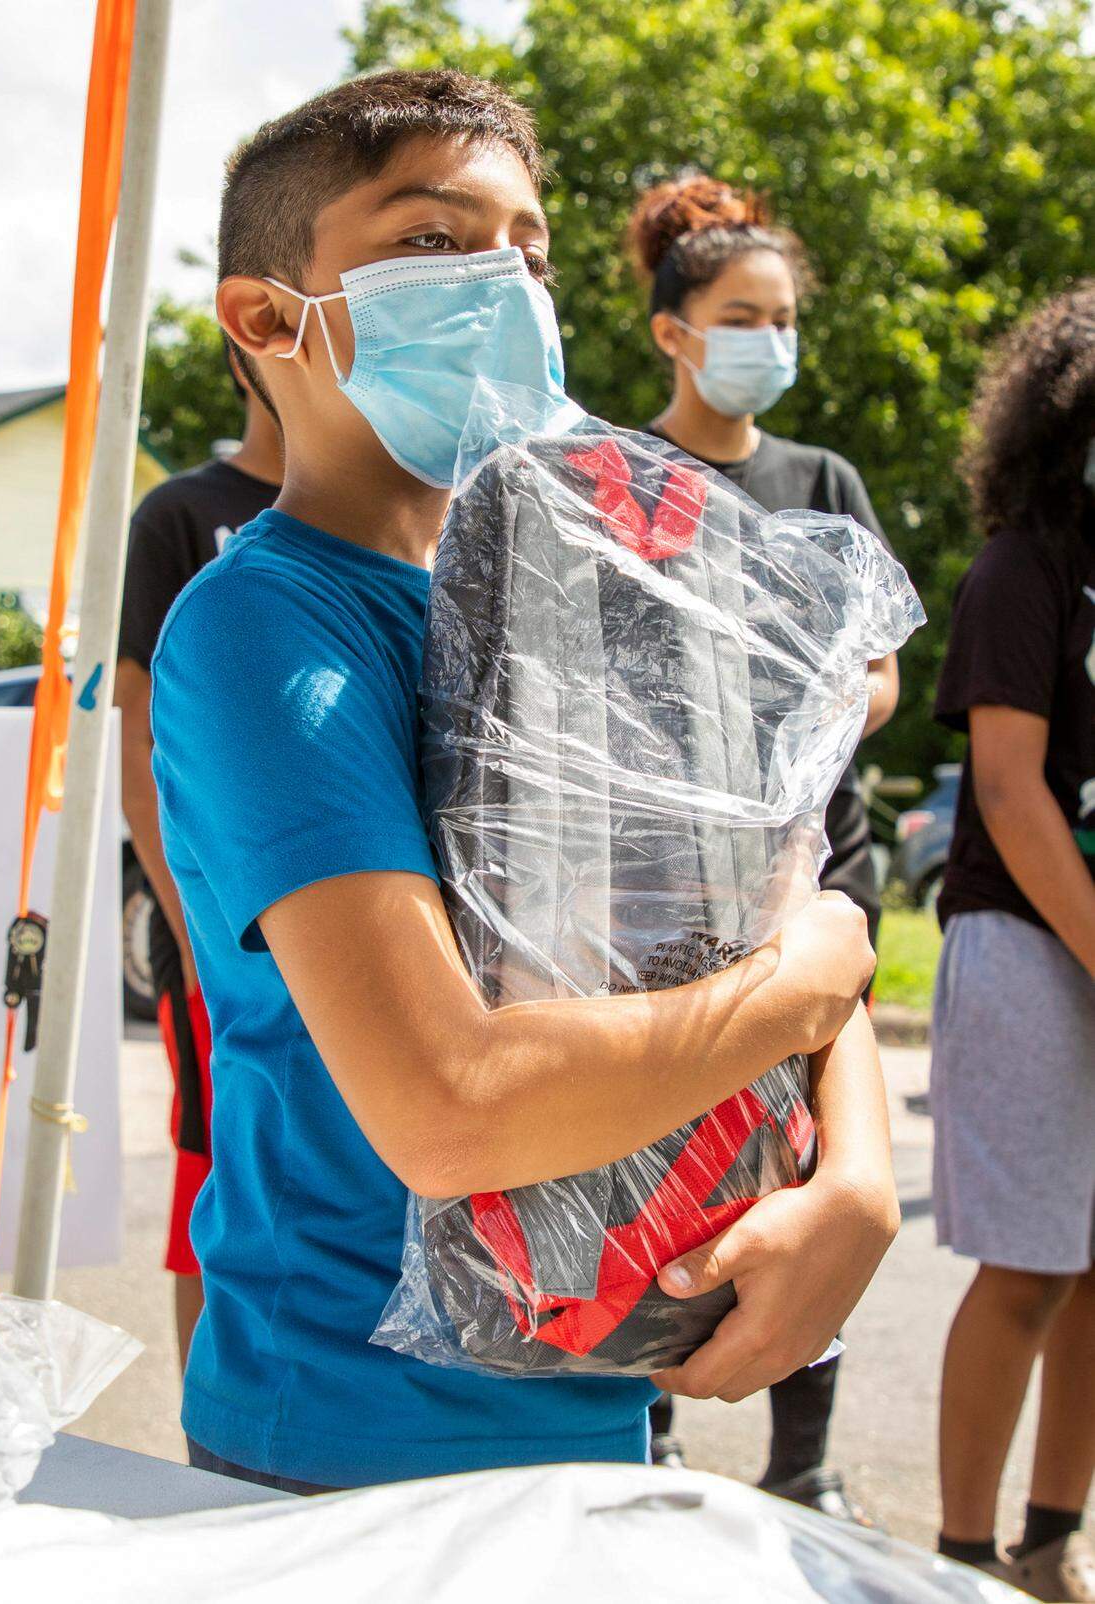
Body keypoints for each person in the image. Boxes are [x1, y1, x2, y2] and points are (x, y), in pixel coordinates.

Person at [150, 68, 899, 1493]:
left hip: (601, 1414)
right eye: (436, 243)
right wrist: (812, 988)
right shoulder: (268, 628)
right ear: (263, 319)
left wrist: (857, 1169)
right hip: (348, 1454)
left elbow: (767, 902)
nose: (503, 288)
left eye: (531, 254)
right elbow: (452, 1107)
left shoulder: (583, 596)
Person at [627, 175, 899, 1527]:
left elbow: (880, 672)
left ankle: (809, 1460)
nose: (770, 341)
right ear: (675, 331)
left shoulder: (819, 482)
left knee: (806, 1162)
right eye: (744, 317)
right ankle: (653, 1428)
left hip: (816, 881)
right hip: (672, 895)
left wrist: (799, 706)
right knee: (673, 1160)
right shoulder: (621, 480)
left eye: (784, 318)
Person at [930, 284, 1095, 1600]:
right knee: (1031, 1268)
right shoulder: (1022, 570)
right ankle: (962, 1557)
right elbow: (1007, 789)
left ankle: (1050, 1542)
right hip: (1028, 945)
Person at [115, 350, 282, 1370]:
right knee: (217, 1188)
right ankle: (213, 1454)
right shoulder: (184, 514)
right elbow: (136, 738)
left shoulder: (418, 506)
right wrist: (192, 920)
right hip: (225, 943)